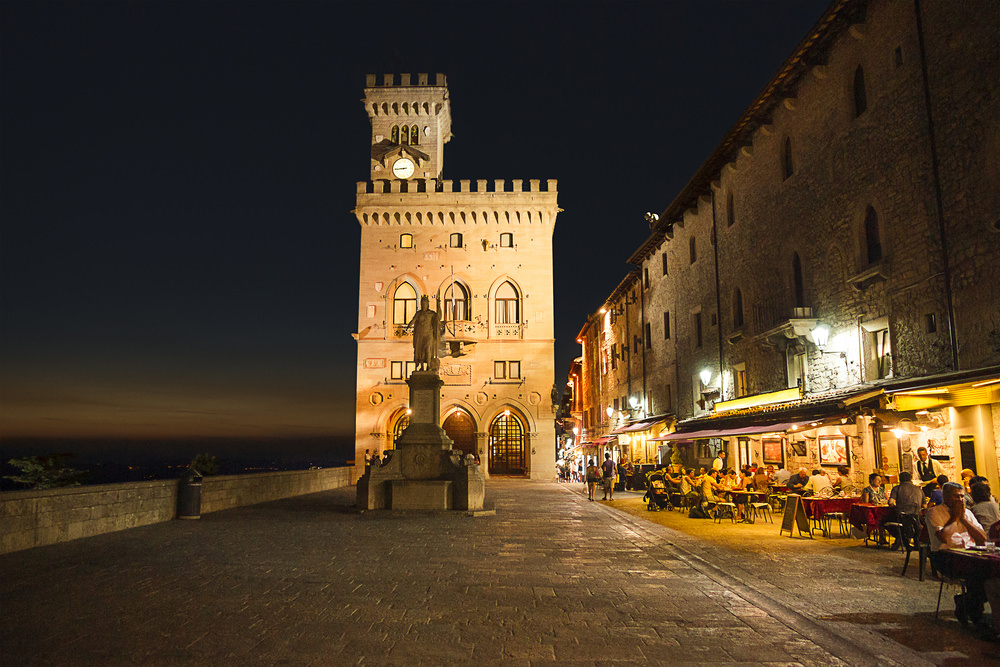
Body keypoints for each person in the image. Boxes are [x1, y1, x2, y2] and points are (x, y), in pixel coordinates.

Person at [925, 482, 990, 626]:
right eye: (956, 496)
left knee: (992, 575)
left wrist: (964, 520)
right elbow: (943, 537)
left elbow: (982, 538)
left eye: (962, 496)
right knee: (978, 575)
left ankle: (966, 602)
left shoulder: (968, 513)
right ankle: (975, 614)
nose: (960, 500)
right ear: (945, 496)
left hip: (970, 555)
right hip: (946, 557)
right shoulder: (935, 512)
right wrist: (954, 518)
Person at [408, 295, 441, 372]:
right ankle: (422, 366)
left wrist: (439, 305)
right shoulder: (418, 313)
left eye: (425, 303)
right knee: (421, 351)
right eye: (422, 303)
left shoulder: (431, 313)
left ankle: (429, 366)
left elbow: (438, 317)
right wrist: (408, 326)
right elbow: (413, 320)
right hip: (420, 334)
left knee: (428, 349)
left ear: (427, 304)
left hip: (429, 334)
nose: (423, 305)